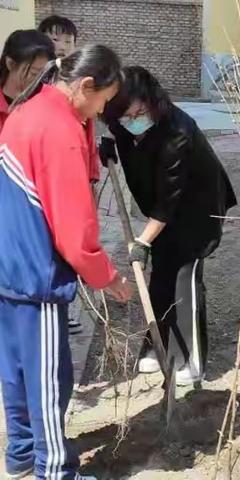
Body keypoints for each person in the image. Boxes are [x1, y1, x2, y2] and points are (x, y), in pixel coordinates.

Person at [0, 44, 132, 480]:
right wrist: (107, 276)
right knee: (48, 379)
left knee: (16, 370)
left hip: (8, 265)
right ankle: (55, 469)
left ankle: (20, 454)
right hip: (37, 272)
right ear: (85, 85)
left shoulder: (25, 111)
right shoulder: (59, 129)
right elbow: (75, 232)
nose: (101, 110)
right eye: (103, 100)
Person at [100, 66, 237, 385]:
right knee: (161, 273)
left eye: (138, 112)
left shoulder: (177, 133)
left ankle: (192, 359)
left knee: (184, 277)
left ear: (153, 102)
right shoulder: (123, 121)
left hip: (196, 210)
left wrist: (142, 242)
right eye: (125, 116)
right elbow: (122, 137)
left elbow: (168, 204)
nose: (133, 120)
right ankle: (157, 345)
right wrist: (109, 145)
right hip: (158, 210)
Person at [38, 15, 102, 335]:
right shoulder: (39, 82)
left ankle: (73, 309)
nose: (60, 45)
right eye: (53, 38)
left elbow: (89, 126)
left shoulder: (81, 79)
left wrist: (93, 166)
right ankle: (53, 304)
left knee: (79, 235)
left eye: (67, 40)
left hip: (81, 169)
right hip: (49, 175)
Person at [0, 29, 55, 132]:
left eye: (43, 74)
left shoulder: (47, 103)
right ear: (10, 64)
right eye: (34, 73)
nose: (39, 80)